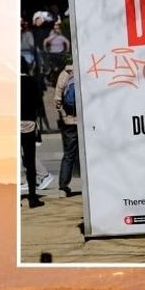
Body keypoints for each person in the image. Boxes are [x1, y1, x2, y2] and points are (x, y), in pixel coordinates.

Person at [20, 59, 45, 207]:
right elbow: (38, 104)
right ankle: (32, 197)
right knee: (30, 162)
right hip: (29, 124)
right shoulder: (32, 82)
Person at [54, 64, 80, 196]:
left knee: (69, 154)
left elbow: (57, 99)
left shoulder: (65, 73)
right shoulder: (86, 68)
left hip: (69, 121)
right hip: (86, 121)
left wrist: (64, 115)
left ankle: (63, 186)